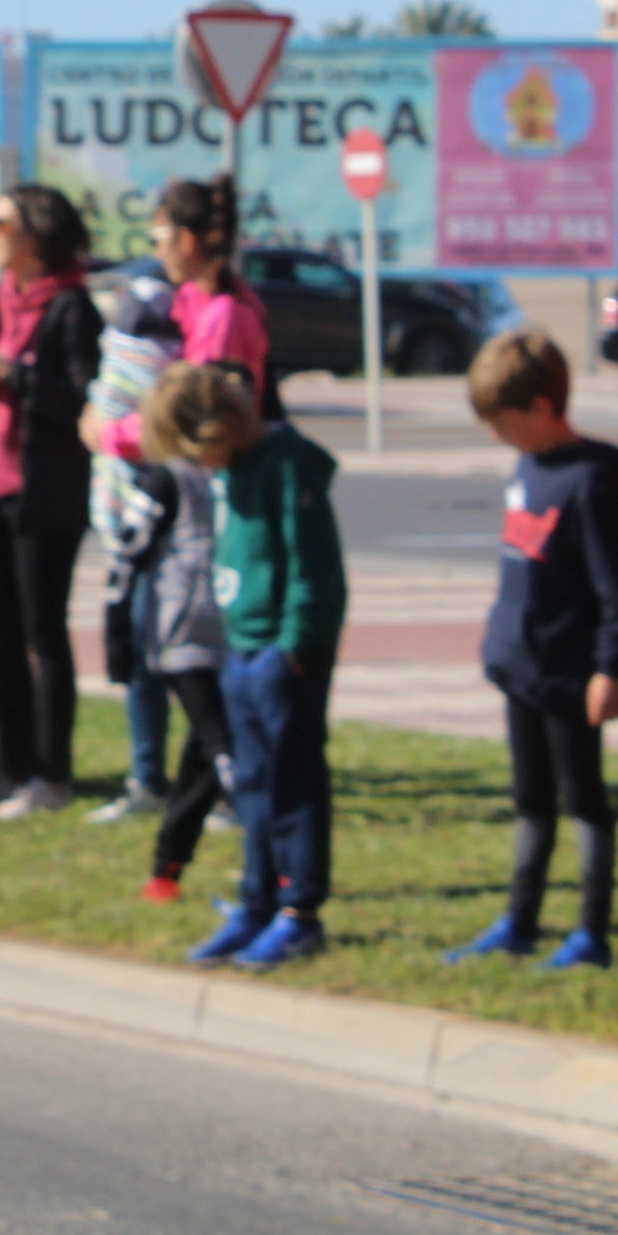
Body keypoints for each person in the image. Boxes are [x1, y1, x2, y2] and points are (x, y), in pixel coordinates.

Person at [444, 329, 618, 972]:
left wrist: (613, 668)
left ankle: (591, 930)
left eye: (502, 424)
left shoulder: (592, 483)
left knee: (581, 797)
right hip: (520, 663)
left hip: (569, 672)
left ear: (540, 410)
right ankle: (520, 920)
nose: (496, 437)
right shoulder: (528, 465)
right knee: (530, 797)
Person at [87, 175, 269, 823]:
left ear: (190, 240)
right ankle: (160, 779)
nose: (157, 248)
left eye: (162, 235)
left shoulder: (222, 316)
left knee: (184, 646)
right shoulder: (199, 301)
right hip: (176, 493)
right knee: (154, 638)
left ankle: (209, 781)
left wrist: (110, 432)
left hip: (198, 503)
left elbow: (193, 418)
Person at [174, 362, 344, 971]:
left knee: (292, 780)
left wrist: (294, 645)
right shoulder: (234, 469)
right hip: (241, 645)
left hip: (284, 650)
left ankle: (300, 911)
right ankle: (257, 899)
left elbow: (311, 566)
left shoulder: (288, 464)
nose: (198, 467)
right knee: (251, 783)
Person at [0, 183, 104, 819]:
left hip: (45, 493)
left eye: (3, 223)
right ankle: (11, 770)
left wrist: (11, 375)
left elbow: (79, 399)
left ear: (37, 234)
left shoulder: (72, 308)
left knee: (45, 633)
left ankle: (52, 775)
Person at [125, 360, 249, 910]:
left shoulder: (238, 471)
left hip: (236, 635)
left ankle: (167, 868)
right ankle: (267, 876)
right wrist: (117, 635)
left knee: (201, 756)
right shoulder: (164, 479)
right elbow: (131, 554)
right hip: (186, 642)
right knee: (226, 752)